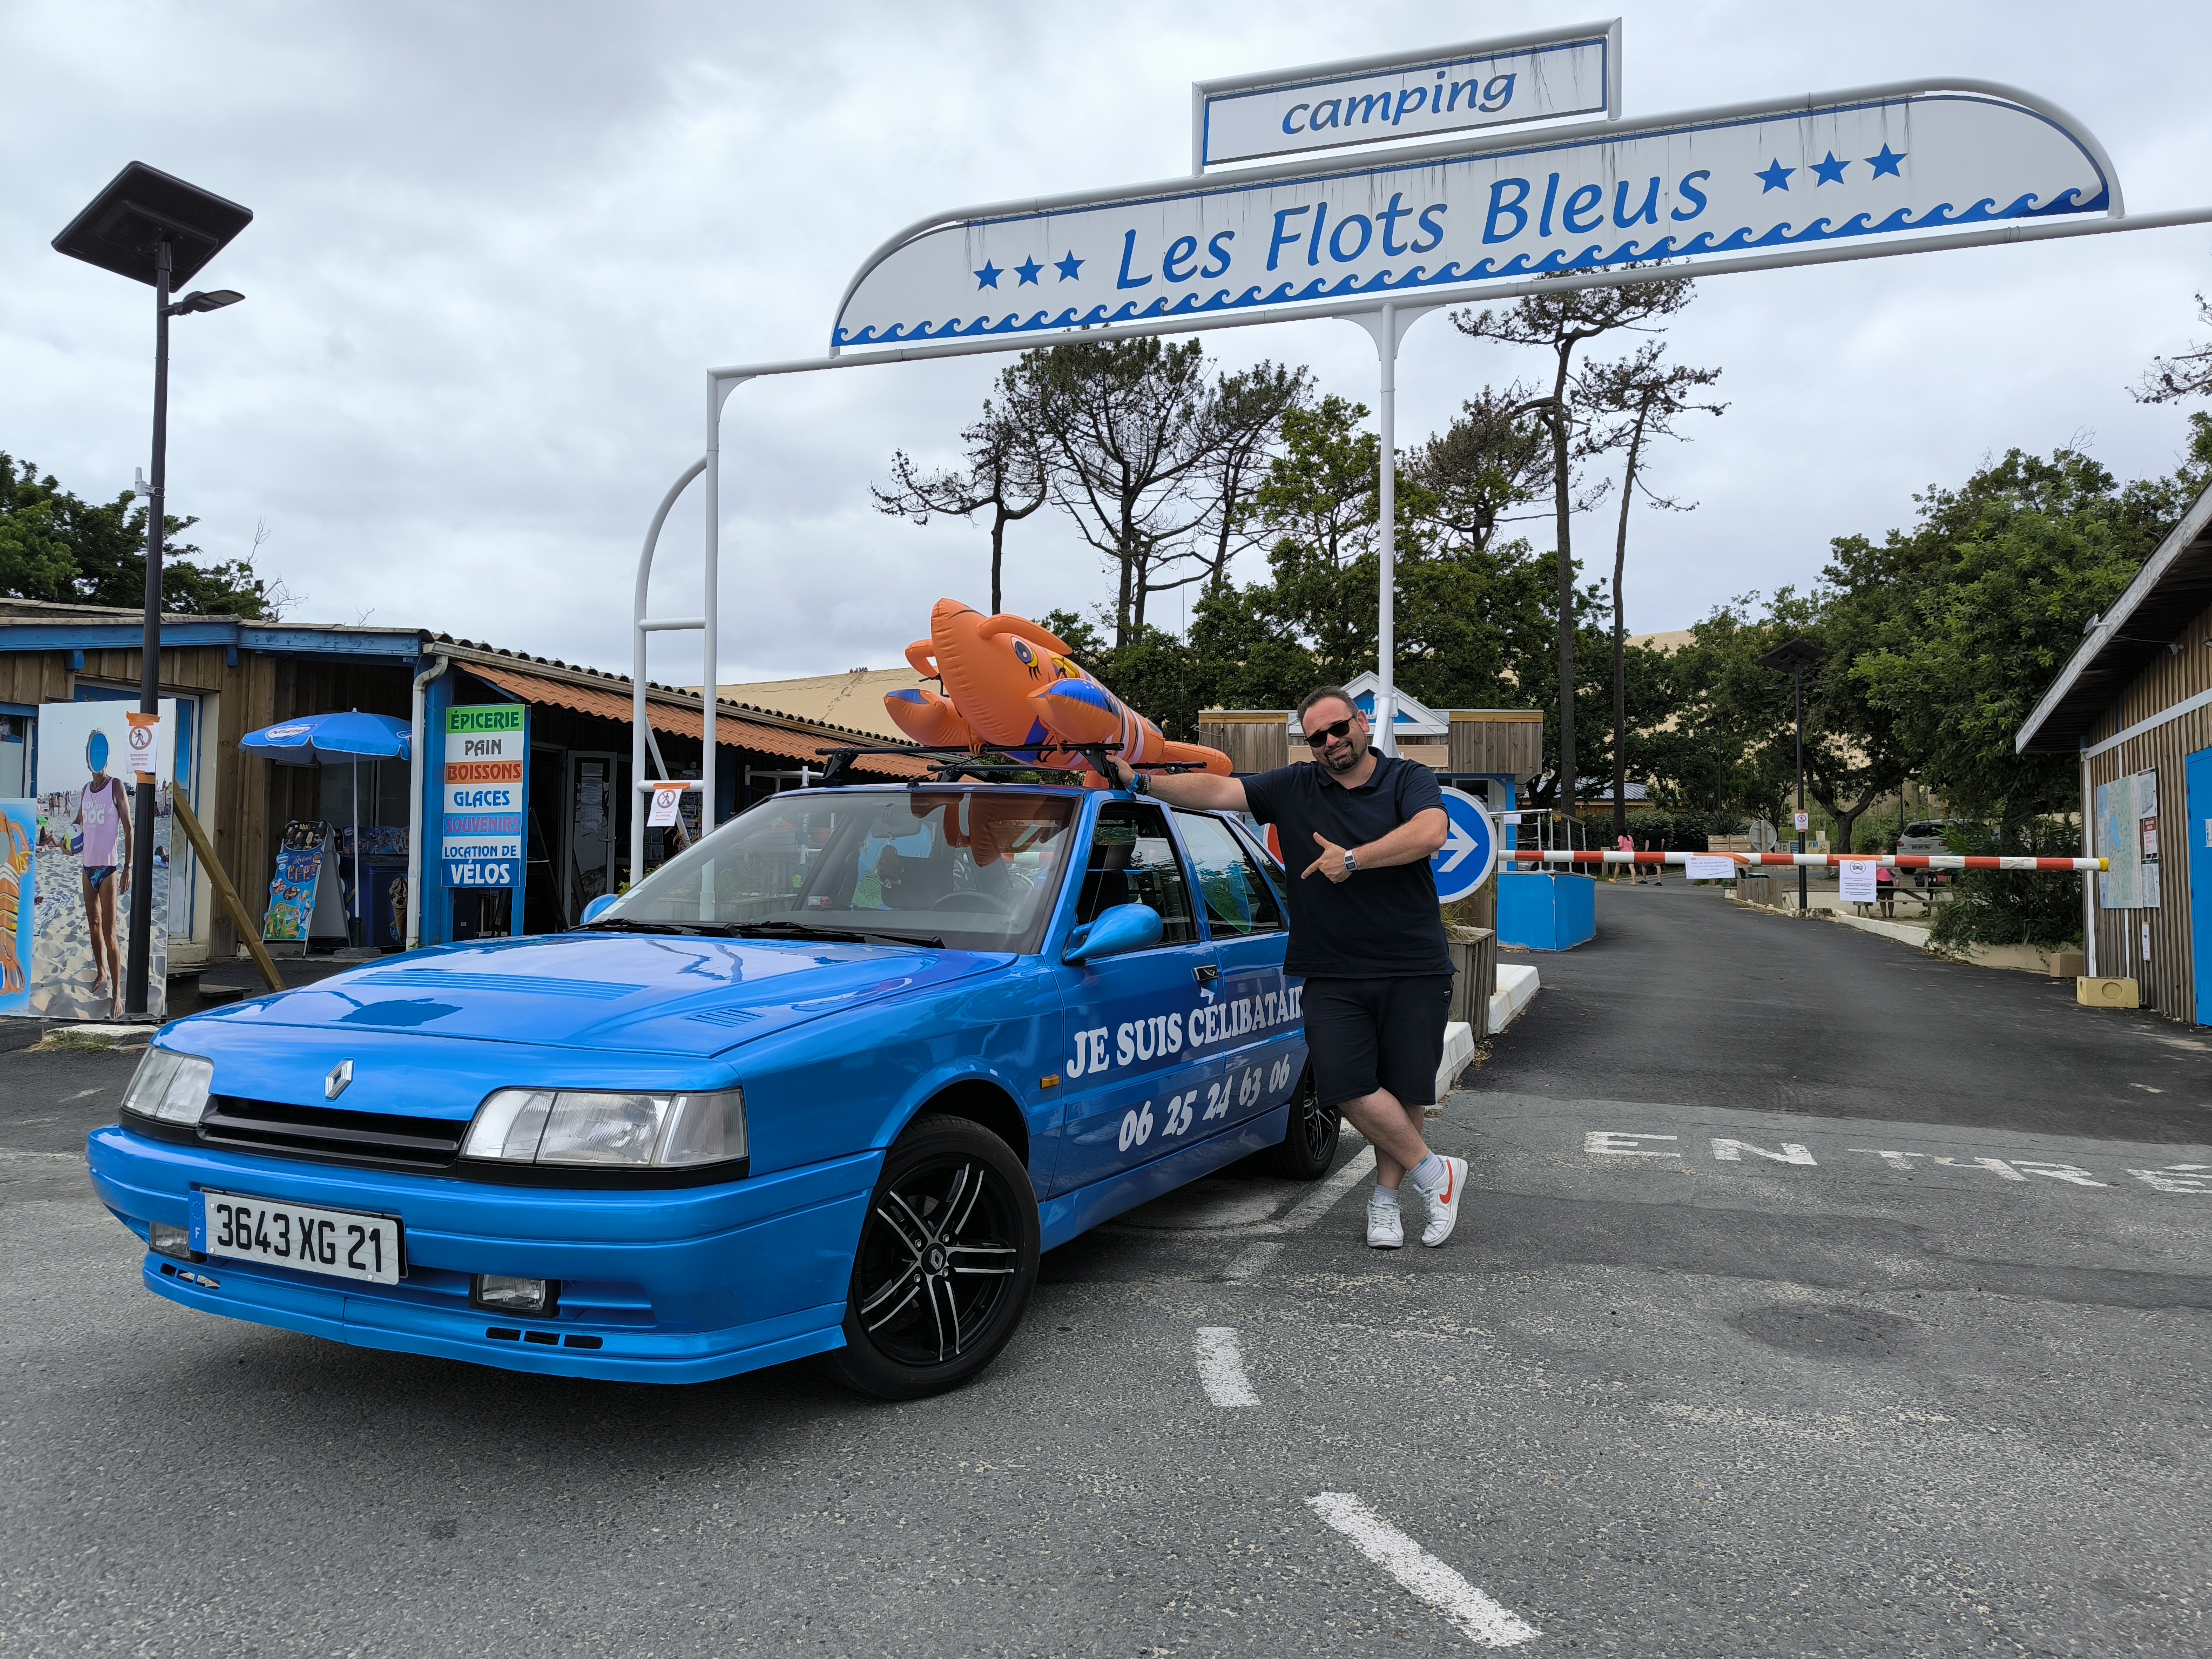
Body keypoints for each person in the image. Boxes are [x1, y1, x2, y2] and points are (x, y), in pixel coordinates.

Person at [1110, 686, 1467, 1249]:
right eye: (1317, 736)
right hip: (1330, 968)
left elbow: (1430, 833)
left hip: (1412, 964)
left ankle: (1386, 1202)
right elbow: (1218, 789)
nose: (1330, 742)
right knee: (1345, 1083)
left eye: (1338, 729)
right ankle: (1436, 1174)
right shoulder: (1295, 786)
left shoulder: (1406, 779)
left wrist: (1351, 859)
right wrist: (1143, 781)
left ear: (1361, 722)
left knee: (1403, 1092)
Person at [73, 730, 132, 1020]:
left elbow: (129, 828)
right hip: (87, 869)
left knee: (111, 935)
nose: (95, 758)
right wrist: (67, 843)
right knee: (93, 926)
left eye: (99, 752)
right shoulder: (86, 790)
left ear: (104, 756)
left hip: (109, 870)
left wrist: (128, 867)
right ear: (88, 759)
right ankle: (101, 972)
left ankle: (118, 995)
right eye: (92, 752)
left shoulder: (116, 787)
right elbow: (77, 826)